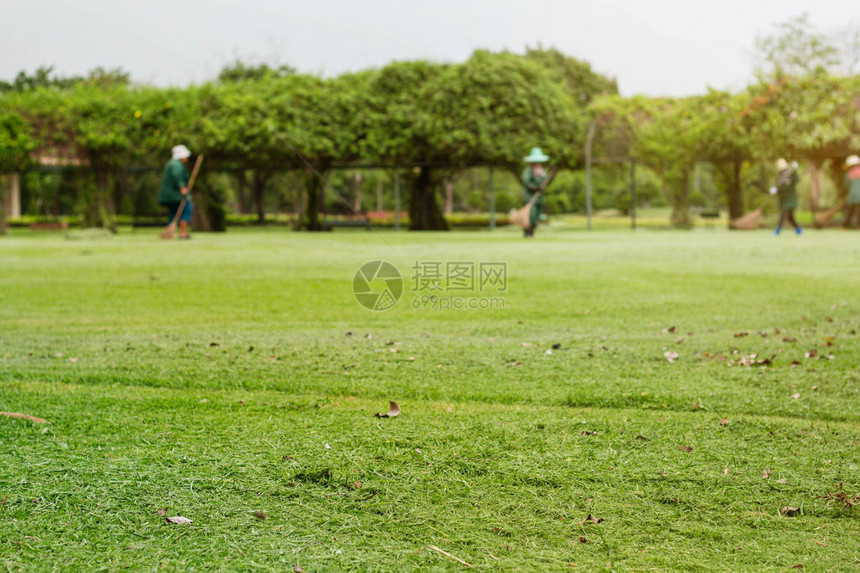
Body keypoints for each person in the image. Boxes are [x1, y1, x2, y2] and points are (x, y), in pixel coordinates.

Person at [157, 144, 193, 239]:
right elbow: (177, 177)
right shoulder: (176, 165)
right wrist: (182, 188)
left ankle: (169, 233)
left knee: (173, 214)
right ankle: (182, 233)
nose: (187, 158)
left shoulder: (171, 163)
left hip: (170, 196)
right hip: (175, 195)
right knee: (186, 210)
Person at [521, 147, 556, 238]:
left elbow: (545, 183)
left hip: (539, 198)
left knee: (536, 216)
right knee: (530, 215)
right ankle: (527, 232)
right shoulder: (528, 171)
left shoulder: (542, 172)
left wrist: (551, 176)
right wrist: (534, 187)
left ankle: (532, 231)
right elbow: (526, 181)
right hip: (530, 197)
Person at [770, 158, 801, 236]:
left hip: (791, 200)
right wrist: (775, 190)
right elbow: (780, 189)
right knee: (790, 217)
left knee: (783, 215)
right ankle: (798, 230)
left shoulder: (791, 175)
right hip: (784, 201)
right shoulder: (780, 179)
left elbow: (797, 179)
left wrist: (795, 169)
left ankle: (777, 231)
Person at [843, 155, 860, 230]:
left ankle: (845, 227)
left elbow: (847, 185)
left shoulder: (848, 174)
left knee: (850, 211)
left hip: (853, 195)